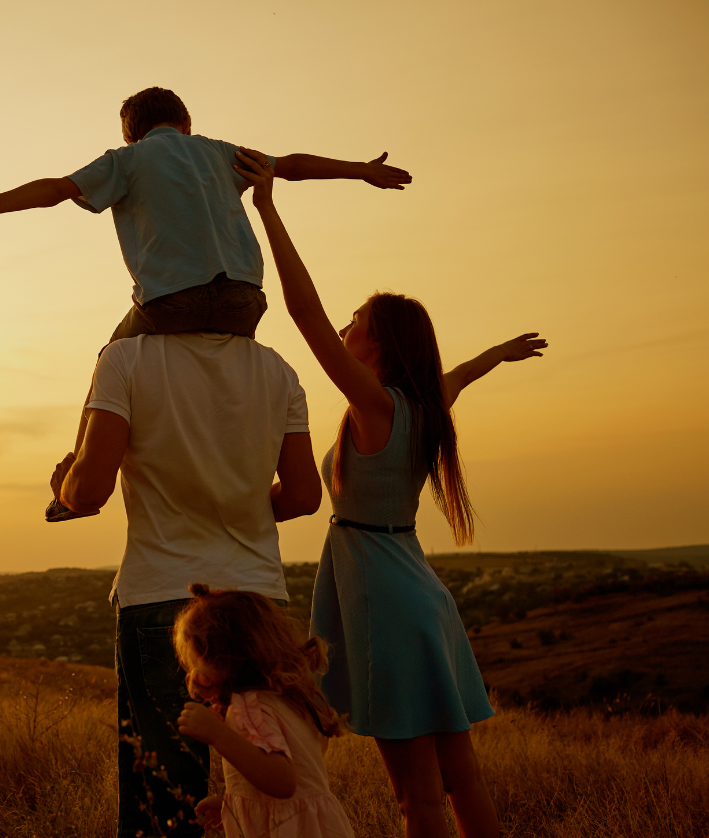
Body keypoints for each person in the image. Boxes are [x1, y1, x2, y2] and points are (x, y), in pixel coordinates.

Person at [234, 146, 547, 838]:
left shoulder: (374, 404)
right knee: (462, 780)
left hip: (382, 593)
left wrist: (268, 209)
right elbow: (463, 370)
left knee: (417, 797)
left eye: (358, 323)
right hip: (420, 589)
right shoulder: (426, 403)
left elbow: (305, 313)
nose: (346, 328)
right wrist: (499, 353)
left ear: (373, 346)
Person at [0, 86, 411, 520]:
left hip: (171, 304)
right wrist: (361, 170)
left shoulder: (126, 160)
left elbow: (58, 189)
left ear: (131, 134)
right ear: (186, 122)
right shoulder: (219, 151)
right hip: (243, 304)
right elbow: (290, 165)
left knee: (110, 358)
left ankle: (75, 483)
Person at [51, 326, 324, 837]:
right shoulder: (277, 369)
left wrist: (62, 487)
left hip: (166, 604)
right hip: (256, 604)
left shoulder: (126, 358)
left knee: (169, 802)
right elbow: (305, 496)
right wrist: (236, 507)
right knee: (253, 791)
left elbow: (87, 492)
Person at [174, 584, 356, 838]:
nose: (194, 673)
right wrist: (232, 802)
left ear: (225, 657)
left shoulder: (249, 708)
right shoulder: (284, 696)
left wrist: (218, 735)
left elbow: (282, 781)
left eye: (198, 661)